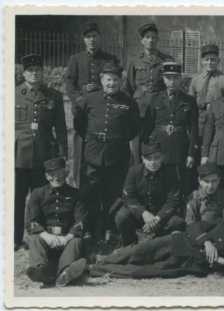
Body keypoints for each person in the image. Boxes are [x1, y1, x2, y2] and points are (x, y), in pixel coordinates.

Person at [89, 213, 224, 280]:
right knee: (137, 251)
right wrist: (206, 241)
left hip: (187, 263)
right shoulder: (220, 224)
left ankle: (98, 270)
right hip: (176, 242)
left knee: (143, 271)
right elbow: (193, 226)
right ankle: (102, 260)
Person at [73, 62, 140, 243]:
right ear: (102, 80)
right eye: (108, 80)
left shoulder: (129, 102)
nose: (112, 83)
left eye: (116, 80)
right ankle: (93, 230)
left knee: (113, 194)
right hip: (93, 154)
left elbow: (133, 129)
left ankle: (110, 229)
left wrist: (116, 139)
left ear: (121, 81)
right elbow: (79, 125)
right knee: (91, 194)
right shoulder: (89, 99)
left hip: (116, 156)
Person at [15, 54, 68, 251]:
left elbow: (61, 129)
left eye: (38, 70)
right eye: (31, 71)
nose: (35, 74)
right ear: (24, 73)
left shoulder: (53, 96)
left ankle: (40, 238)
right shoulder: (13, 93)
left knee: (41, 199)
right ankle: (15, 238)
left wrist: (63, 155)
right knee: (17, 198)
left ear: (43, 73)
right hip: (18, 155)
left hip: (44, 156)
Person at [65, 22, 120, 188]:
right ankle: (76, 183)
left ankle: (101, 182)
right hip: (82, 111)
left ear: (100, 38)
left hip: (103, 111)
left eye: (95, 36)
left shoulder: (110, 59)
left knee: (99, 147)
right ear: (84, 39)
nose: (92, 40)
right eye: (88, 37)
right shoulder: (76, 59)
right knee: (78, 148)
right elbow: (69, 84)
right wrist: (79, 98)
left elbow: (116, 83)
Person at [25, 157, 87, 288]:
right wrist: (47, 236)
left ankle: (64, 273)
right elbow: (32, 222)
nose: (56, 177)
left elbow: (80, 221)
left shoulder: (76, 194)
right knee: (35, 239)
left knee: (77, 241)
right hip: (46, 239)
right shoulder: (37, 193)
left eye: (59, 173)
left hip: (67, 240)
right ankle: (40, 271)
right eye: (52, 174)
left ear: (66, 173)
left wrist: (67, 238)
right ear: (46, 176)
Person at [142, 62, 198, 197]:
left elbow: (194, 128)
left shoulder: (189, 100)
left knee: (180, 181)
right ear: (163, 78)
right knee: (160, 180)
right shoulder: (154, 99)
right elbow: (147, 127)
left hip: (179, 146)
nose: (172, 81)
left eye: (175, 78)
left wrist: (191, 153)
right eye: (169, 78)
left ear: (180, 79)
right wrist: (146, 151)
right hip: (159, 146)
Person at [123, 23, 174, 164]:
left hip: (160, 109)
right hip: (140, 109)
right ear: (142, 40)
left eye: (154, 37)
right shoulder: (134, 60)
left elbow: (172, 86)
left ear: (158, 40)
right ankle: (139, 169)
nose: (151, 40)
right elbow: (128, 87)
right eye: (147, 37)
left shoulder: (166, 60)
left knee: (160, 140)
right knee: (138, 143)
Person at [114, 143, 184, 246]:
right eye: (149, 159)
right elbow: (128, 197)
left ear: (162, 157)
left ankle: (161, 243)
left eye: (157, 158)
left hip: (161, 216)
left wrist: (157, 219)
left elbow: (173, 200)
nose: (153, 162)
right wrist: (143, 213)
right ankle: (129, 244)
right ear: (142, 159)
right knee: (121, 216)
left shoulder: (171, 173)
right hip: (140, 215)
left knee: (177, 222)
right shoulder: (134, 171)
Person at [188, 44, 224, 142]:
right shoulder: (196, 79)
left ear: (218, 61)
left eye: (213, 59)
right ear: (202, 61)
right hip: (199, 118)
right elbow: (190, 101)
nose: (210, 62)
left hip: (217, 118)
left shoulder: (223, 79)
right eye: (207, 59)